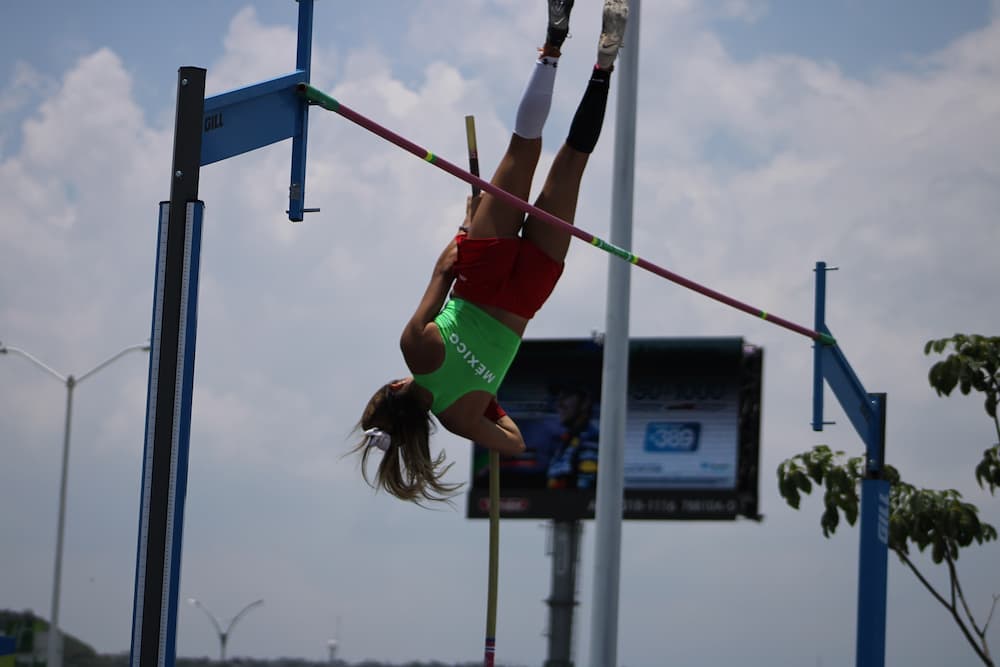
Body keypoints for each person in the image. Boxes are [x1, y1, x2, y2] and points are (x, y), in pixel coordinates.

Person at [353, 0, 630, 503]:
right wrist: (470, 219)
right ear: (395, 390)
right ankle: (552, 44)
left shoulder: (462, 419)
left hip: (526, 295)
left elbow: (514, 443)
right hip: (482, 272)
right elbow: (446, 267)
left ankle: (604, 66)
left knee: (571, 164)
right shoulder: (414, 349)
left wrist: (488, 393)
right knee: (523, 148)